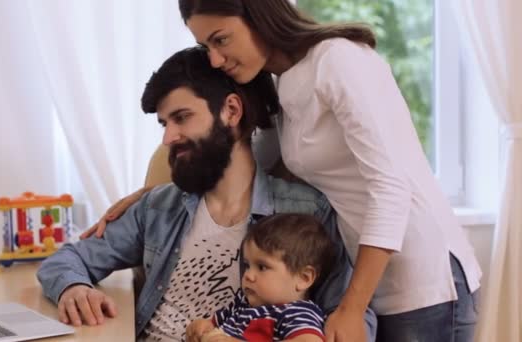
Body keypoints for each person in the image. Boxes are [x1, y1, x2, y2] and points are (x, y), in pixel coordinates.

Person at [83, 1, 482, 341]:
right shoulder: (279, 83)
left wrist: (351, 305)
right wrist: (157, 191)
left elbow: (391, 186)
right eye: (206, 46)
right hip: (367, 270)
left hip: (421, 275)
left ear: (259, 13)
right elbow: (251, 156)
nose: (216, 59)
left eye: (221, 39)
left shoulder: (338, 59)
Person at [38, 47, 377, 341]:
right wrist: (74, 288)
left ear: (231, 111)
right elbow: (66, 260)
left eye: (182, 118)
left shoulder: (306, 212)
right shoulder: (158, 207)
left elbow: (352, 316)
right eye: (164, 123)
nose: (168, 137)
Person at [187, 213, 335, 342]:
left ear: (304, 278)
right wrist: (201, 328)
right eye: (247, 265)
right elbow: (211, 323)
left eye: (262, 267)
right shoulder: (242, 302)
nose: (248, 275)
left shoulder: (298, 313)